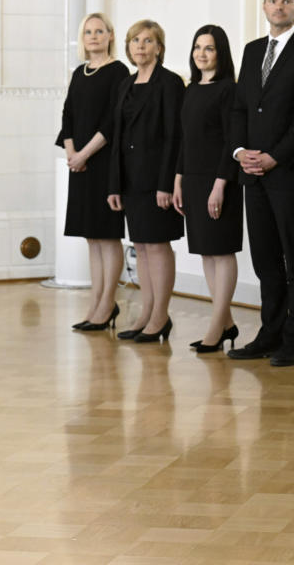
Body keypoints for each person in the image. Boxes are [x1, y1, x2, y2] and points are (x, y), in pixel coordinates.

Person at [227, 0, 294, 367]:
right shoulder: (252, 51)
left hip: (286, 173)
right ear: (264, 5)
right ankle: (268, 333)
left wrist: (274, 156)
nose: (279, 7)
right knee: (265, 259)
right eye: (272, 0)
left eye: (287, 1)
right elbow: (239, 108)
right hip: (251, 172)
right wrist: (240, 152)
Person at [107, 19, 185, 343]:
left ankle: (160, 316)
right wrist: (114, 184)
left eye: (147, 40)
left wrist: (166, 183)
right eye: (135, 40)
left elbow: (174, 136)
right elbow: (117, 137)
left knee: (157, 245)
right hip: (130, 180)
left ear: (159, 48)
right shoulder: (125, 84)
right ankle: (146, 313)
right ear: (128, 47)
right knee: (140, 246)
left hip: (157, 181)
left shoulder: (170, 83)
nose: (140, 46)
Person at [171, 24, 242, 353]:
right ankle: (225, 322)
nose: (201, 53)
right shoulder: (191, 88)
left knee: (221, 250)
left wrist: (220, 185)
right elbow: (185, 139)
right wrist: (178, 179)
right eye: (198, 47)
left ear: (221, 53)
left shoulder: (228, 89)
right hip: (194, 179)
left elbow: (231, 140)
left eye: (209, 48)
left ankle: (216, 325)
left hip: (219, 180)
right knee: (205, 251)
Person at [58, 13, 129, 332]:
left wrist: (85, 153)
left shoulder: (118, 72)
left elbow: (114, 121)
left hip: (103, 162)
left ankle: (106, 302)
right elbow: (68, 113)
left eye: (100, 31)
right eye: (88, 31)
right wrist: (72, 152)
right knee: (91, 236)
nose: (94, 36)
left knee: (108, 235)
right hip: (80, 163)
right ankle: (97, 303)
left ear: (111, 35)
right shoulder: (79, 72)